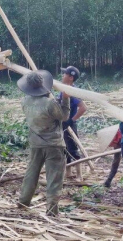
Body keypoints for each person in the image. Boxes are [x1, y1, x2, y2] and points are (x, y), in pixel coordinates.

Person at [17, 70, 70, 217]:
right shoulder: (49, 103)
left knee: (31, 173)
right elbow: (64, 116)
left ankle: (23, 201)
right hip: (53, 144)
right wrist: (65, 99)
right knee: (54, 178)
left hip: (35, 143)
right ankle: (52, 210)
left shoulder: (25, 101)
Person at [59, 66, 87, 176]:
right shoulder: (63, 89)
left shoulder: (72, 91)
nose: (63, 76)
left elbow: (83, 108)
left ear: (70, 77)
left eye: (65, 74)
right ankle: (68, 173)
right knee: (64, 148)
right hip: (63, 123)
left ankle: (79, 175)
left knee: (73, 149)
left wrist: (72, 120)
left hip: (69, 125)